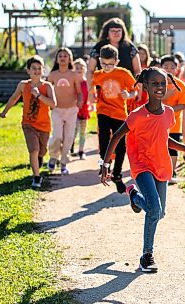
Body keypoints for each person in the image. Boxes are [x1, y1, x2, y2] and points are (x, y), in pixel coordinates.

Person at [100, 67, 185, 272]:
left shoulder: (169, 113)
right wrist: (106, 164)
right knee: (154, 209)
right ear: (145, 86)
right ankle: (147, 255)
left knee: (159, 213)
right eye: (155, 84)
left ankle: (134, 196)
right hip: (142, 165)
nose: (160, 87)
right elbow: (116, 136)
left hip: (161, 165)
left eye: (162, 84)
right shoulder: (137, 115)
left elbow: (165, 138)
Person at [0, 55, 56, 188]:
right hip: (28, 124)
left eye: (39, 68)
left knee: (42, 151)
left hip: (44, 125)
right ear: (28, 70)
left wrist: (39, 95)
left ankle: (39, 159)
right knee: (33, 150)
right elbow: (13, 98)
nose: (36, 71)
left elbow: (53, 104)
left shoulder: (47, 86)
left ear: (43, 70)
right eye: (33, 68)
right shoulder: (23, 85)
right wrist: (4, 111)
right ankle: (36, 177)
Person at [90, 44, 137, 193]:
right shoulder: (98, 75)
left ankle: (117, 174)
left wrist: (128, 95)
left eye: (110, 64)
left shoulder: (123, 73)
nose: (107, 67)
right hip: (103, 111)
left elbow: (135, 90)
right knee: (104, 139)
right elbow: (90, 85)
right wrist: (92, 95)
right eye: (104, 63)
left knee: (121, 145)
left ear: (116, 61)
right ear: (99, 61)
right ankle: (104, 165)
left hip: (119, 113)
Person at [47, 47, 83, 174]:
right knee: (57, 136)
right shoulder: (53, 75)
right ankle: (53, 157)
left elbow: (79, 92)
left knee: (68, 137)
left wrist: (80, 101)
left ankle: (63, 163)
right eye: (60, 56)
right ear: (57, 59)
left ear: (69, 59)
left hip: (71, 110)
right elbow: (46, 90)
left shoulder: (74, 75)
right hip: (57, 110)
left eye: (65, 56)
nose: (62, 58)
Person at [160, 55, 185, 184]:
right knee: (159, 147)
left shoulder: (181, 85)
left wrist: (169, 109)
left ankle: (171, 172)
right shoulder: (156, 83)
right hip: (157, 124)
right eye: (166, 67)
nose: (169, 69)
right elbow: (150, 102)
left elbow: (183, 104)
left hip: (174, 124)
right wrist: (164, 96)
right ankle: (159, 171)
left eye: (172, 67)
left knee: (173, 149)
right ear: (160, 68)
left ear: (177, 69)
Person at [71, 58, 90, 160]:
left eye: (81, 67)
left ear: (85, 69)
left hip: (84, 110)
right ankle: (71, 148)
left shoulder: (86, 83)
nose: (79, 69)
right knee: (73, 131)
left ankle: (81, 151)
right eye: (76, 67)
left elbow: (89, 95)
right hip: (73, 110)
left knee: (82, 132)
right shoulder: (72, 83)